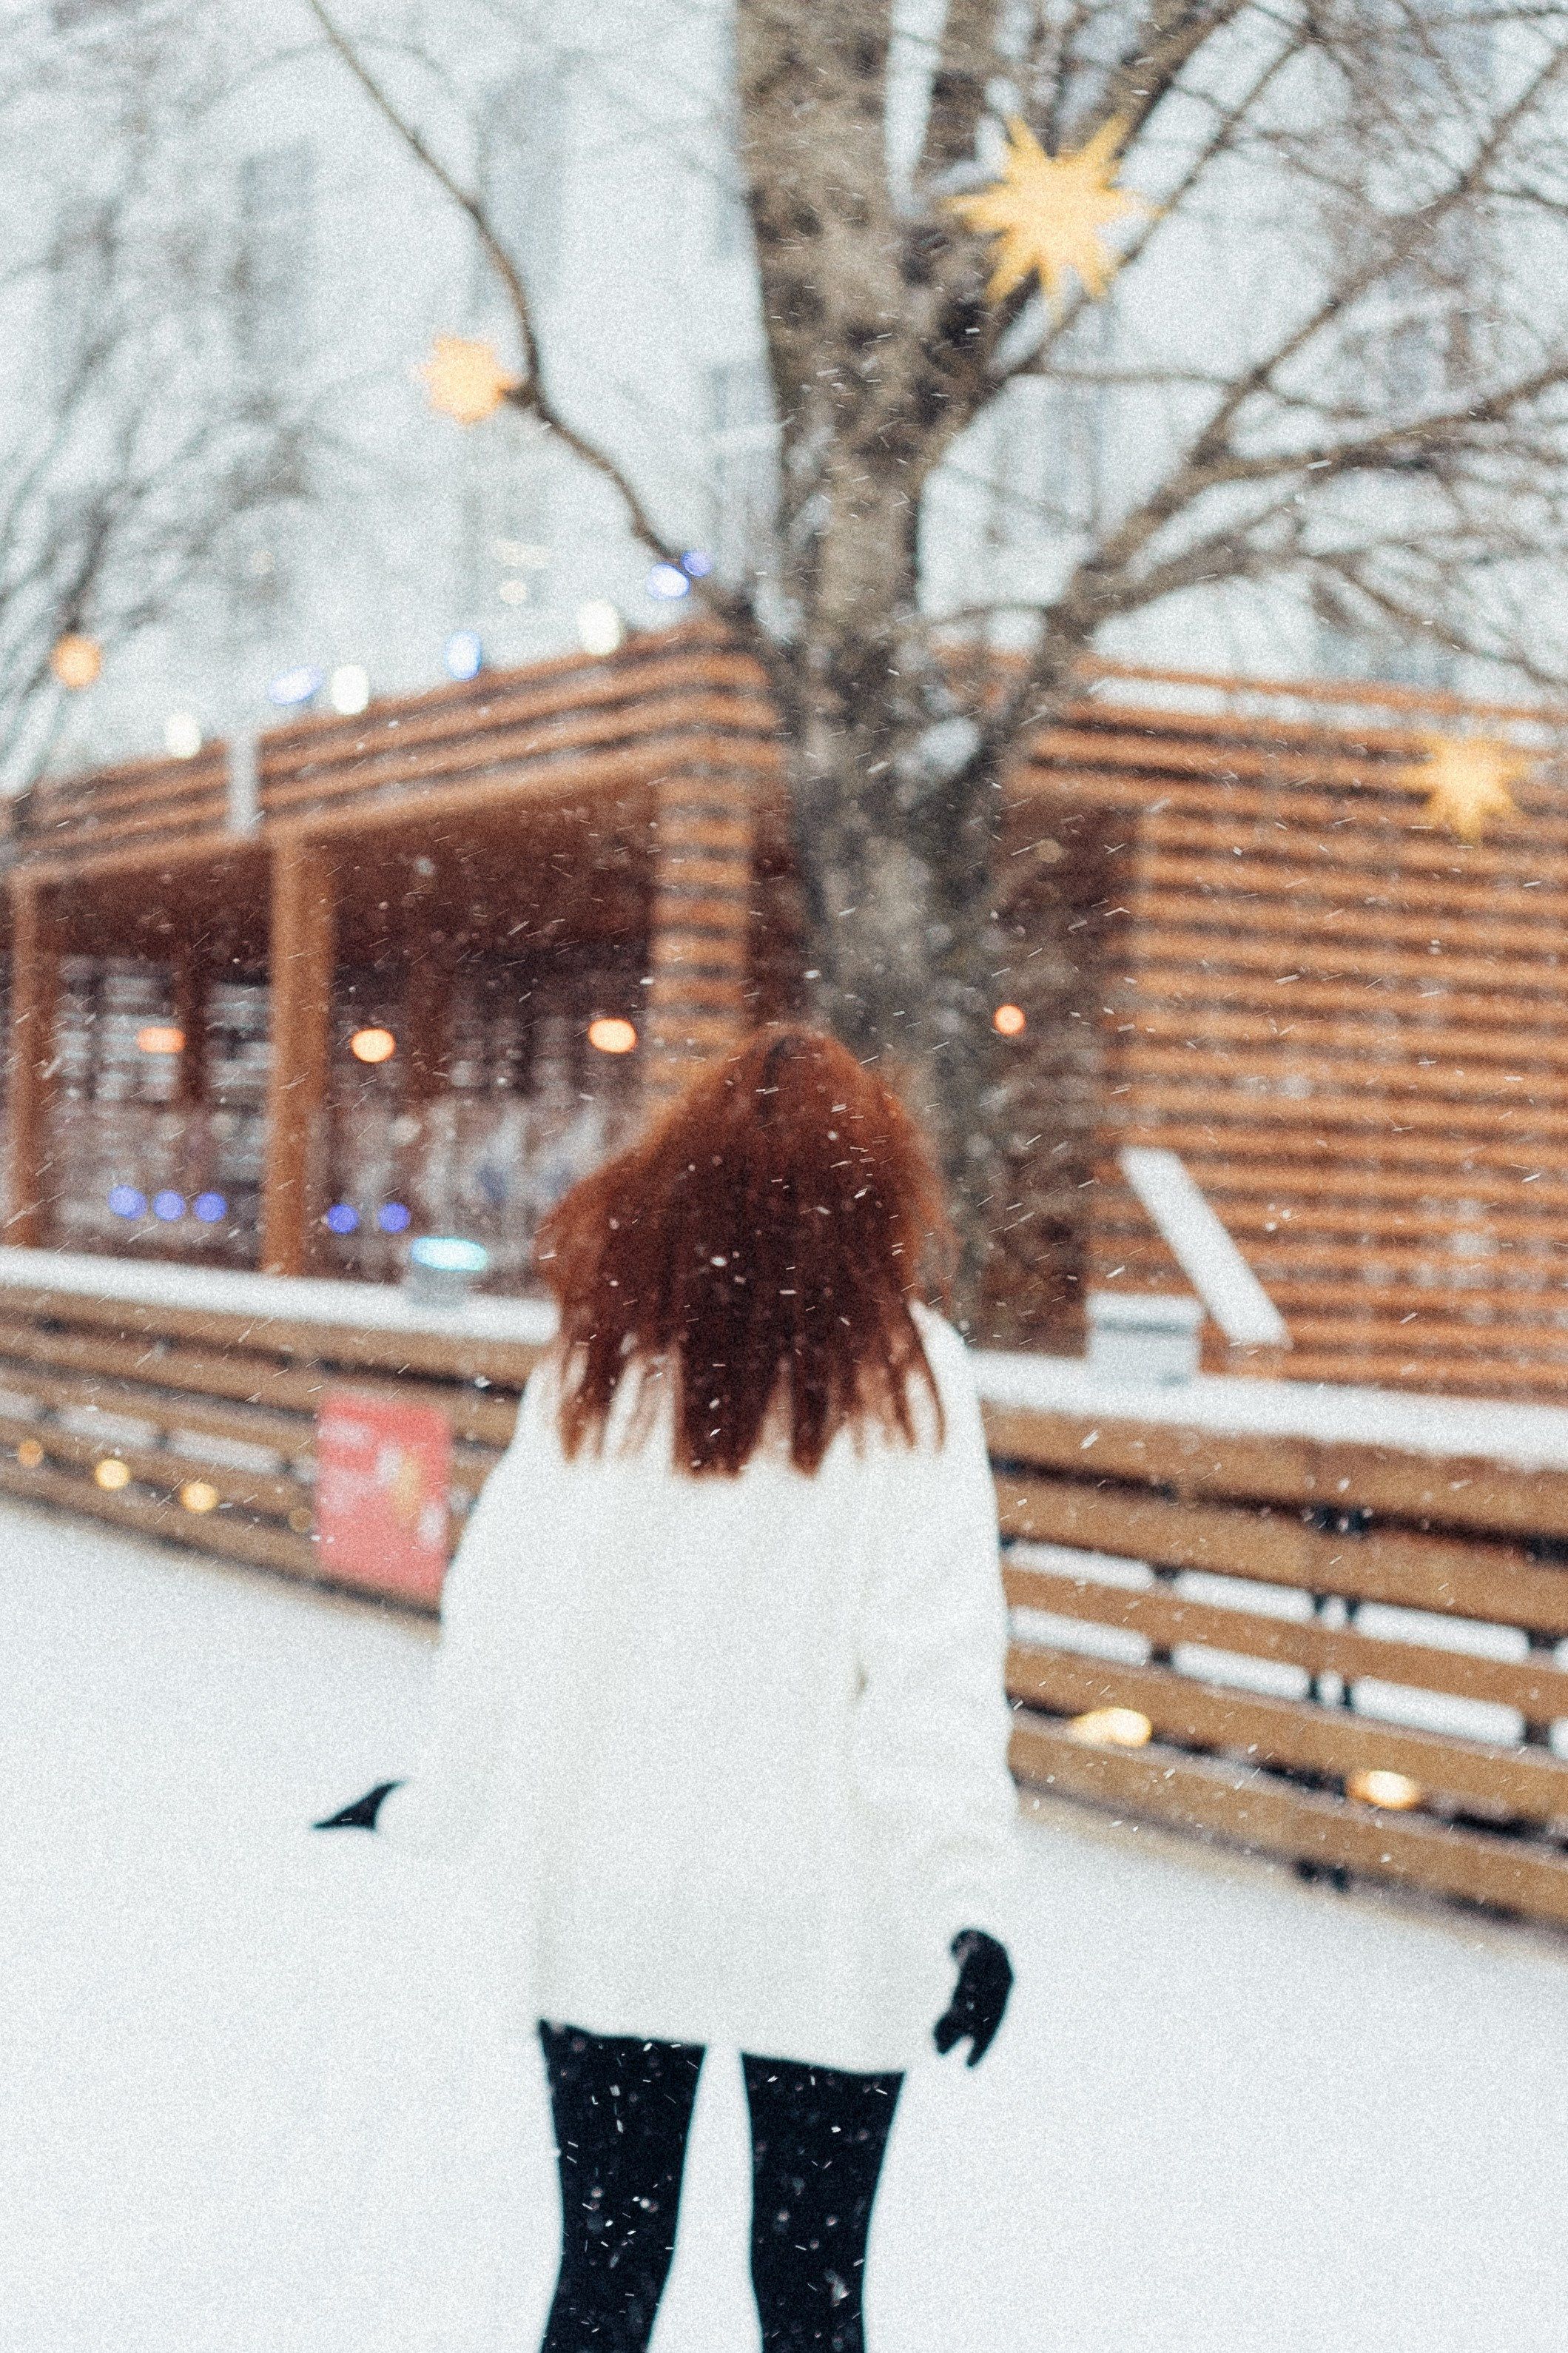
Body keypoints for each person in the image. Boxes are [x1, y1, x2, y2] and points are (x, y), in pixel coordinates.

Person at [317, 1027, 1018, 2352]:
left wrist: (433, 1805)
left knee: (605, 2279)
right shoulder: (914, 1380)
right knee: (812, 2301)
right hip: (820, 1918)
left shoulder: (595, 1372)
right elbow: (932, 1674)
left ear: (677, 1180)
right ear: (874, 1195)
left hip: (616, 1908)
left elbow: (498, 1636)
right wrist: (965, 1903)